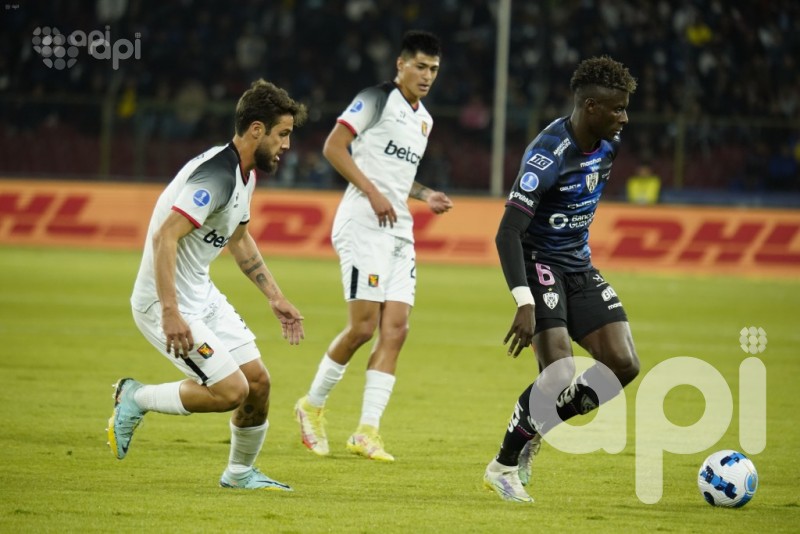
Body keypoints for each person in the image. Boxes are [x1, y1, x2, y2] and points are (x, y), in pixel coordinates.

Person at [108, 79, 308, 491]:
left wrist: (275, 296)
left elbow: (239, 239)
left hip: (201, 293)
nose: (287, 144)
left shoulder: (245, 174)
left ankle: (239, 474)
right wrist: (170, 312)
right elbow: (165, 236)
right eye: (283, 134)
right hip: (163, 302)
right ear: (257, 130)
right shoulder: (216, 174)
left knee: (258, 383)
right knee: (231, 391)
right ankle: (135, 397)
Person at [483, 56, 640, 502]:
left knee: (624, 365)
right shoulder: (546, 156)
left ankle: (535, 429)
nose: (624, 118)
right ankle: (502, 467)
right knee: (558, 374)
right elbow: (508, 232)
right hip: (539, 265)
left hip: (579, 266)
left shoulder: (608, 146)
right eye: (617, 109)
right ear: (591, 107)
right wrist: (524, 300)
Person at [293, 30, 453, 462]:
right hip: (363, 222)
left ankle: (367, 431)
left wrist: (425, 195)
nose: (427, 76)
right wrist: (372, 192)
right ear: (400, 65)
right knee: (363, 328)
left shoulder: (425, 120)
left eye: (434, 69)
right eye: (420, 66)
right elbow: (334, 147)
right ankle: (311, 406)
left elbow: (397, 177)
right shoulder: (376, 98)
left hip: (399, 228)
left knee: (397, 329)